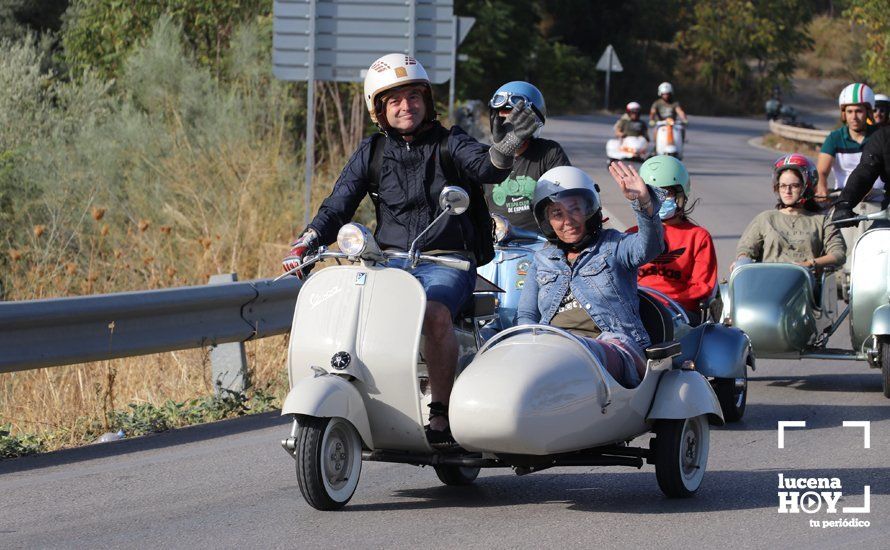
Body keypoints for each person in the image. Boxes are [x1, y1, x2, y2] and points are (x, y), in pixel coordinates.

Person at [281, 53, 541, 446]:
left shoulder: (451, 141)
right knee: (352, 308)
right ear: (379, 109)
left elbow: (487, 168)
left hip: (447, 260)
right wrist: (309, 240)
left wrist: (510, 142)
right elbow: (338, 204)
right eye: (395, 100)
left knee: (433, 313)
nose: (407, 107)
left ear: (427, 101)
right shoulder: (372, 152)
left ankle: (440, 413)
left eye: (414, 97)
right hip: (388, 261)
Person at [516, 164, 664, 388]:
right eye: (557, 214)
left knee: (578, 354)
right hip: (553, 347)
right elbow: (526, 315)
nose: (567, 221)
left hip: (613, 347)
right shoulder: (542, 259)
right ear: (547, 221)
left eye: (575, 209)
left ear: (590, 209)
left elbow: (649, 247)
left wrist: (643, 203)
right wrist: (527, 346)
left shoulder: (615, 245)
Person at [627, 156, 716, 325]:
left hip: (678, 311)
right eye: (653, 193)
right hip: (637, 307)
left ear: (681, 195)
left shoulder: (698, 237)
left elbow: (703, 286)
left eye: (666, 193)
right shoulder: (631, 235)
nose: (659, 199)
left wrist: (665, 301)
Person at [484, 81, 571, 233]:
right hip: (495, 245)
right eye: (503, 118)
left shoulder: (549, 153)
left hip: (540, 244)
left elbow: (567, 198)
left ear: (533, 121)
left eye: (517, 120)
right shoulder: (485, 157)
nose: (509, 126)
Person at [735, 154, 845, 272]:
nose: (787, 191)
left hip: (806, 285)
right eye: (783, 186)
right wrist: (742, 261)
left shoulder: (822, 221)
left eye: (794, 186)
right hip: (767, 283)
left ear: (806, 187)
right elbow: (745, 250)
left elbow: (839, 253)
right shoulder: (765, 219)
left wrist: (809, 264)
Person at [816, 83, 884, 268]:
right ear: (843, 113)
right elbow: (822, 170)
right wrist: (822, 185)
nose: (854, 116)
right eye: (850, 111)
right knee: (823, 235)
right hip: (842, 200)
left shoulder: (879, 137)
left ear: (869, 112)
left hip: (877, 200)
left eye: (859, 111)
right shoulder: (835, 138)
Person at [833, 124, 890, 230]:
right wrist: (845, 203)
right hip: (888, 214)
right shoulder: (883, 137)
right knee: (873, 244)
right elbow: (865, 171)